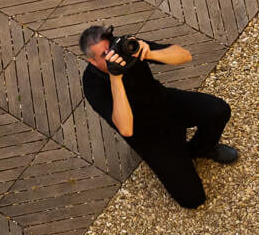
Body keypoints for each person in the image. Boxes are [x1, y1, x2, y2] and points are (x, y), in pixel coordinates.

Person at [77, 26, 238, 210]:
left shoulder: (126, 47)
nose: (113, 55)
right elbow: (126, 129)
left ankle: (200, 149)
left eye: (111, 48)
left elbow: (184, 55)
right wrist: (116, 77)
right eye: (105, 54)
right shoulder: (92, 85)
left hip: (166, 103)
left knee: (219, 110)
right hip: (148, 135)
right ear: (92, 60)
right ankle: (178, 156)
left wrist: (149, 53)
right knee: (193, 199)